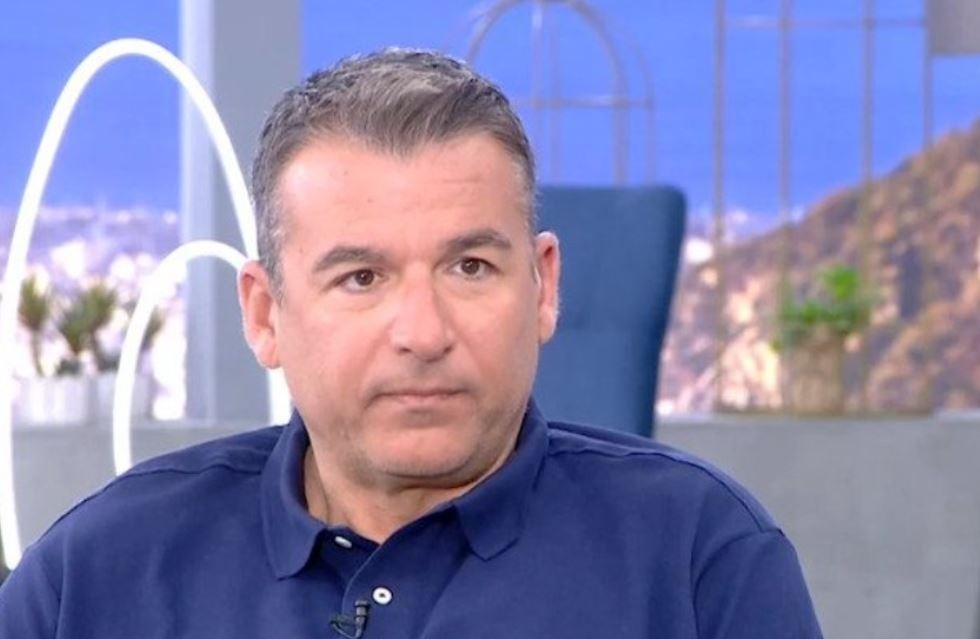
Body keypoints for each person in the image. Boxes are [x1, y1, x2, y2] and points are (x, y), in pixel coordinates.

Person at [0, 48, 822, 638]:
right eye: (361, 277)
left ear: (543, 286)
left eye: (470, 267)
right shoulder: (98, 576)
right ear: (265, 313)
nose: (424, 333)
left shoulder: (697, 559)